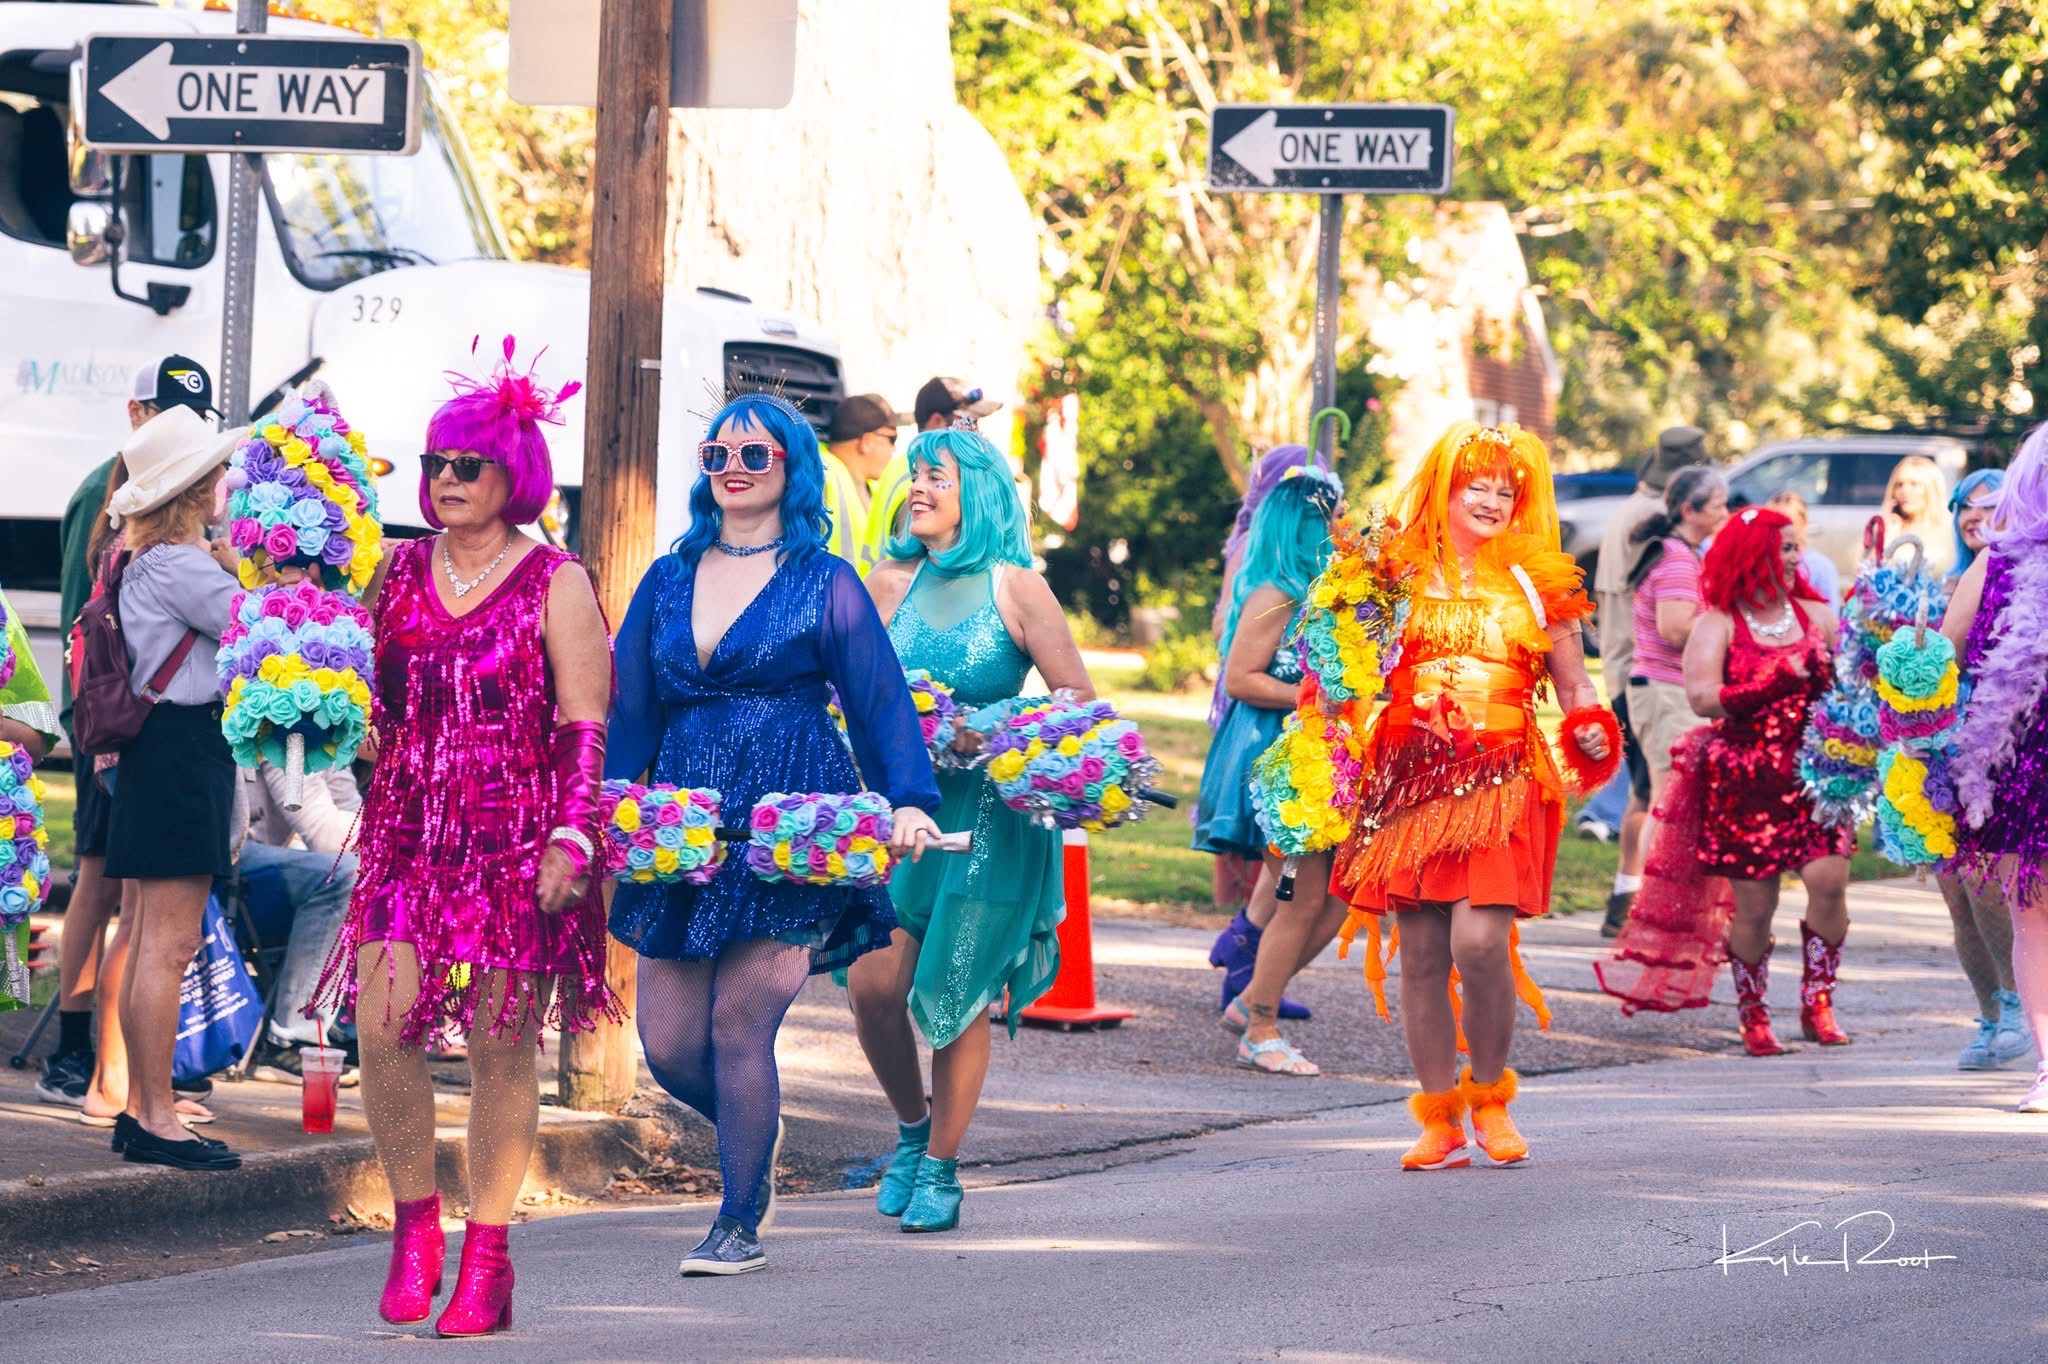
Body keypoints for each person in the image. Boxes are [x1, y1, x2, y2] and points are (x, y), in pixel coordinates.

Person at [311, 347, 616, 1336]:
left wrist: (572, 830)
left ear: (511, 475)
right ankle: (414, 1227)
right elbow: (355, 688)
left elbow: (583, 721)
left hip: (513, 832)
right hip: (406, 823)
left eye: (467, 464)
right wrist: (326, 700)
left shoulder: (553, 579)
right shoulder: (394, 569)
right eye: (435, 460)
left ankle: (488, 1257)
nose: (445, 478)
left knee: (496, 1042)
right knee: (383, 1027)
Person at [608, 393, 942, 1275]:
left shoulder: (823, 577)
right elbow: (630, 710)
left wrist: (907, 797)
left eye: (754, 456)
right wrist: (596, 795)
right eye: (719, 455)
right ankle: (753, 1133)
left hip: (794, 826)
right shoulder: (668, 575)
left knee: (739, 1024)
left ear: (791, 467)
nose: (734, 469)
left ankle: (737, 1220)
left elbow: (878, 699)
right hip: (685, 827)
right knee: (672, 1047)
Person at [1332, 423, 1615, 1167]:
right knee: (1420, 956)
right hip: (1407, 783)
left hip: (1499, 778)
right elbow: (1346, 671)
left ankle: (1489, 1097)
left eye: (1505, 489)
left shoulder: (1537, 581)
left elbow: (1577, 683)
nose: (1492, 500)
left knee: (1480, 942)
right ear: (1446, 491)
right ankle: (1440, 1118)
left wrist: (1589, 725)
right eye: (1476, 487)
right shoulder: (1387, 573)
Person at [845, 427, 1094, 1232]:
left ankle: (944, 1168)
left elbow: (1079, 704)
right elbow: (848, 693)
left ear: (975, 491)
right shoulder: (884, 583)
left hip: (992, 820)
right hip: (903, 813)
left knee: (955, 996)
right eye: (912, 475)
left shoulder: (1019, 589)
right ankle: (913, 1131)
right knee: (873, 986)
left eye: (934, 477)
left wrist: (991, 724)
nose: (916, 488)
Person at [39, 355, 218, 1108]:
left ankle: (123, 1077)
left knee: (137, 909)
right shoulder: (111, 499)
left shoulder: (156, 534)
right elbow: (93, 620)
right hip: (123, 720)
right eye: (167, 410)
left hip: (130, 727)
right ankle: (83, 1055)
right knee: (105, 888)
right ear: (137, 412)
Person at [97, 406, 243, 1169]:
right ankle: (155, 1115)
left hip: (154, 750)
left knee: (149, 934)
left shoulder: (141, 561)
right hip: (185, 750)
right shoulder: (185, 567)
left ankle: (139, 1108)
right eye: (214, 474)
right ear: (192, 491)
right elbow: (259, 629)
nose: (225, 482)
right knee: (169, 942)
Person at [1194, 466, 1344, 1074]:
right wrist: (1312, 696)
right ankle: (1257, 1012)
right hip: (1274, 754)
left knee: (1326, 894)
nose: (1337, 531)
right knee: (1297, 890)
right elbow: (1238, 678)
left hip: (1315, 751)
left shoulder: (1315, 592)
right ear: (1304, 525)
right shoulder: (1274, 592)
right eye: (1329, 520)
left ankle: (1253, 977)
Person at [1946, 425, 2048, 1111]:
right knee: (2032, 918)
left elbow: (1942, 657)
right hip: (2019, 764)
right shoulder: (1996, 565)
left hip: (2015, 761)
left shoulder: (1993, 563)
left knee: (2033, 920)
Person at [1591, 426, 1705, 936]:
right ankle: (1650, 906)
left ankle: (1625, 898)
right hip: (1646, 673)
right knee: (1660, 792)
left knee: (1643, 792)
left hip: (1626, 668)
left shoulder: (1627, 511)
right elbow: (1660, 611)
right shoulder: (1653, 525)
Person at [1934, 469, 2030, 1070]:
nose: (1975, 517)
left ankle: (2023, 1004)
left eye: (1988, 505)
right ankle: (1992, 1014)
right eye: (1964, 508)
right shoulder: (1943, 579)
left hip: (2010, 739)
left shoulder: (2021, 570)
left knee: (1993, 880)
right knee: (1956, 890)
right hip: (1946, 742)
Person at [234, 760, 362, 1080]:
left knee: (393, 880)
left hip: (266, 866)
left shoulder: (330, 726)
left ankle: (359, 1024)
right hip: (233, 871)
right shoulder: (289, 733)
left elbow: (349, 806)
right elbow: (319, 827)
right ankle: (290, 1039)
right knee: (344, 874)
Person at [1625, 466, 1729, 824]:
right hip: (1664, 689)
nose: (1724, 514)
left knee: (1674, 793)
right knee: (1670, 795)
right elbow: (1674, 629)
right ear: (1689, 510)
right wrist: (1726, 627)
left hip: (1665, 687)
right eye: (1717, 505)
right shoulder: (1678, 558)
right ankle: (1655, 881)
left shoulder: (1683, 553)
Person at [862, 378, 1003, 567]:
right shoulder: (922, 475)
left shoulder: (901, 466)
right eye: (967, 422)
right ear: (937, 421)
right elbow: (930, 561)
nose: (975, 431)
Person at [821, 394, 906, 573]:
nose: (894, 449)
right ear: (866, 442)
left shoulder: (874, 488)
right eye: (891, 439)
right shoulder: (819, 475)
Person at [1883, 454, 1955, 578]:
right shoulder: (1890, 528)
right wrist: (1885, 535)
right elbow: (1867, 578)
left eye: (1914, 484)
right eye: (1899, 485)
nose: (1905, 491)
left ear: (1932, 489)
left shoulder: (1953, 530)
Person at [1766, 490, 1840, 602]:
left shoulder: (1821, 566)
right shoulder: (1762, 562)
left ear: (1804, 522)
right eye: (1773, 524)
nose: (1781, 530)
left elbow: (1830, 610)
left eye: (1788, 522)